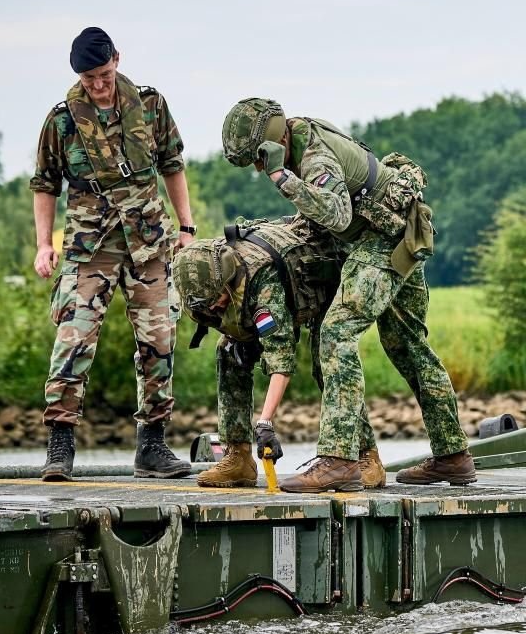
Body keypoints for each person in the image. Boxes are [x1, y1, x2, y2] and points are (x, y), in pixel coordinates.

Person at [221, 98, 475, 492]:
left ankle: (339, 461)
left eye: (258, 160)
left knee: (336, 331)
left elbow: (337, 215)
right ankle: (453, 457)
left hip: (383, 238)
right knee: (408, 345)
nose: (258, 168)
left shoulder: (313, 157)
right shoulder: (303, 135)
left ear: (272, 143)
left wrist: (282, 180)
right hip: (401, 232)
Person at [30, 27, 197, 481]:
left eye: (103, 74)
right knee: (74, 340)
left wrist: (185, 228)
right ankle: (60, 448)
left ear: (117, 60)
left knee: (159, 343)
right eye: (89, 79)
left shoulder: (150, 104)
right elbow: (45, 185)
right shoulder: (62, 119)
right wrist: (45, 244)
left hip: (148, 242)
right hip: (90, 246)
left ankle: (153, 446)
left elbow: (172, 165)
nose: (98, 85)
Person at [172, 216, 387, 489]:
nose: (213, 308)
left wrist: (264, 423)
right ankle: (238, 456)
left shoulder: (263, 284)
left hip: (324, 287)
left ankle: (367, 457)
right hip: (271, 293)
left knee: (329, 364)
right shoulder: (200, 283)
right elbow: (223, 316)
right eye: (207, 305)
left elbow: (281, 358)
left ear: (227, 281)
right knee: (228, 350)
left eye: (216, 300)